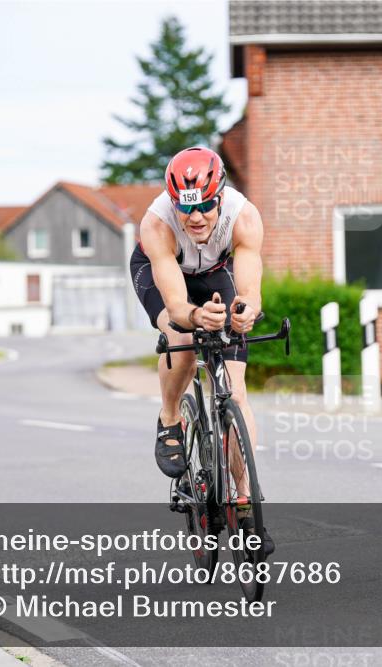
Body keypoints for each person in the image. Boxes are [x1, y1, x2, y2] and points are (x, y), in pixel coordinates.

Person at [129, 146, 273, 553]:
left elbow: (249, 290)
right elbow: (176, 306)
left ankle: (243, 498)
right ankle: (170, 416)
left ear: (220, 195)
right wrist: (195, 317)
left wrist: (244, 312)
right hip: (163, 275)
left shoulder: (243, 217)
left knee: (235, 389)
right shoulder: (157, 225)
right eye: (185, 209)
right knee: (183, 342)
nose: (195, 218)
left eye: (206, 207)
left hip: (213, 274)